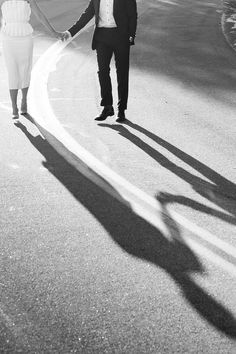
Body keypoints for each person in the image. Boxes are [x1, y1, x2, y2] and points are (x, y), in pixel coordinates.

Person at [61, 0, 137, 123]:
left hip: (121, 36)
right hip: (102, 37)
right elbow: (87, 14)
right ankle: (107, 107)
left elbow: (132, 14)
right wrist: (70, 32)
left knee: (122, 73)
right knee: (102, 71)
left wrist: (131, 35)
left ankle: (121, 109)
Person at [0, 0, 62, 119]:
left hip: (25, 38)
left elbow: (39, 15)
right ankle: (14, 106)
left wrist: (53, 32)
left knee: (25, 70)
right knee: (12, 72)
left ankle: (24, 100)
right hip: (8, 39)